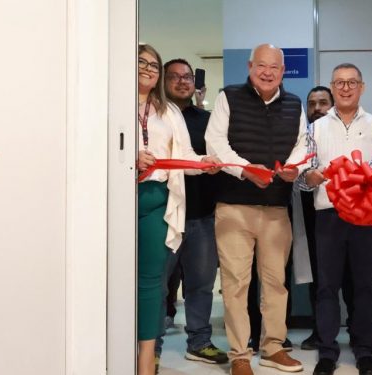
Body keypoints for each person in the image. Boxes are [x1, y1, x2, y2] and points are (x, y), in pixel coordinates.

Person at [205, 43, 308, 375]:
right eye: (261, 65)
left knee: (276, 282)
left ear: (282, 71)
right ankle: (239, 354)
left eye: (274, 67)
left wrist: (294, 168)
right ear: (250, 66)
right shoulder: (229, 97)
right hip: (234, 207)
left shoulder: (294, 103)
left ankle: (273, 347)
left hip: (277, 208)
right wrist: (245, 169)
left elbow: (302, 144)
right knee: (236, 284)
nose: (267, 72)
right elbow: (215, 142)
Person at [135, 44, 220, 375]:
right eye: (141, 62)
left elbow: (185, 153)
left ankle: (147, 359)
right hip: (119, 200)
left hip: (162, 201)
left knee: (153, 280)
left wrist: (206, 163)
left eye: (152, 64)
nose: (147, 68)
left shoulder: (168, 112)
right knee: (128, 280)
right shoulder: (112, 102)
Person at [302, 63, 372, 375]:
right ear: (332, 87)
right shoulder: (315, 127)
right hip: (328, 214)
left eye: (352, 82)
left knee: (364, 285)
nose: (345, 88)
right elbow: (303, 173)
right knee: (327, 287)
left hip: (365, 216)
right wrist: (310, 176)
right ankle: (327, 352)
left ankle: (364, 350)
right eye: (339, 82)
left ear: (362, 87)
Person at [153, 58, 228, 366]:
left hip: (202, 216)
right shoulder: (152, 120)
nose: (183, 82)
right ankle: (151, 346)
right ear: (164, 81)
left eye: (187, 77)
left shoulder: (208, 120)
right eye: (175, 77)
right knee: (156, 285)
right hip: (163, 214)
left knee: (201, 285)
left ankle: (199, 341)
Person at [298, 86, 356, 351]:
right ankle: (321, 332)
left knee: (352, 277)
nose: (317, 108)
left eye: (323, 102)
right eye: (312, 104)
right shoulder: (303, 136)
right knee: (320, 278)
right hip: (313, 217)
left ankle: (356, 331)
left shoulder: (346, 132)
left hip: (351, 213)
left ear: (332, 105)